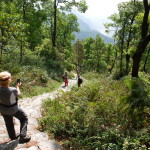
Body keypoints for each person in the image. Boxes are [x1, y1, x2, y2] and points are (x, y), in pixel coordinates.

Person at [0, 71, 31, 144]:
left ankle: (12, 136)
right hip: (14, 109)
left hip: (3, 109)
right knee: (24, 118)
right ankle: (23, 136)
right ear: (9, 80)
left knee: (9, 123)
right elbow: (19, 94)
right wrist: (17, 87)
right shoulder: (12, 90)